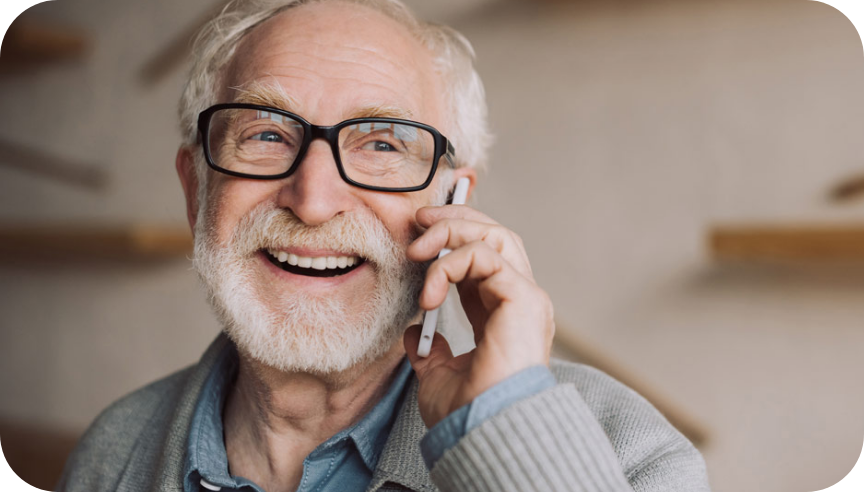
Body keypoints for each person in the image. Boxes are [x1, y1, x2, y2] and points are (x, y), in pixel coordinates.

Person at [57, 0, 711, 491]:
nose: (312, 201)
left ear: (454, 205)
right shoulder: (111, 451)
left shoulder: (633, 456)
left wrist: (509, 439)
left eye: (381, 145)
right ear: (197, 192)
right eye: (264, 134)